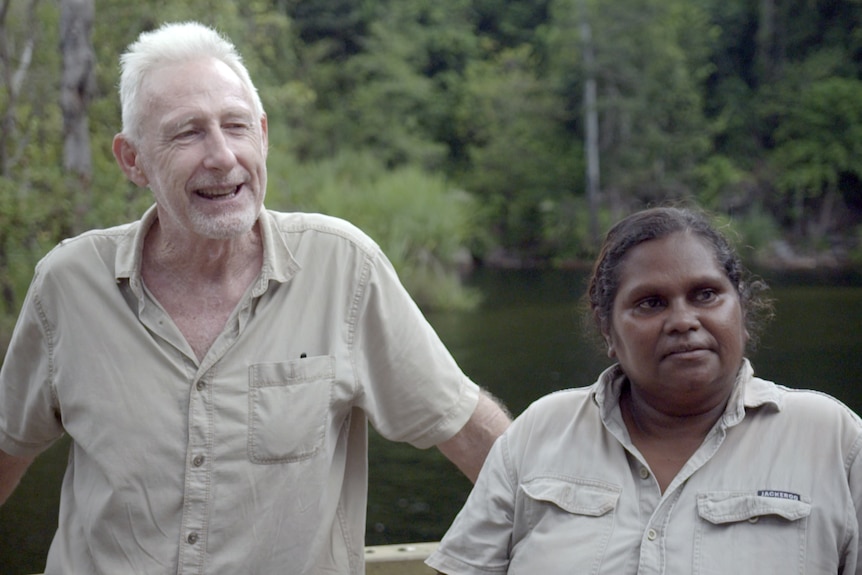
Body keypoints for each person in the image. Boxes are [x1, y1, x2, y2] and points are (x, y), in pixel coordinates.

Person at [0, 21, 511, 574]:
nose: (222, 156)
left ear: (263, 135)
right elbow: (7, 446)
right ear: (132, 160)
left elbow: (466, 429)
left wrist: (579, 534)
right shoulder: (68, 284)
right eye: (187, 133)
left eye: (236, 126)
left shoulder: (343, 268)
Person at [426, 205, 862, 574]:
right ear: (608, 329)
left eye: (706, 294)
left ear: (741, 310)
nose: (683, 321)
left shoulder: (832, 439)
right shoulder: (539, 433)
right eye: (650, 303)